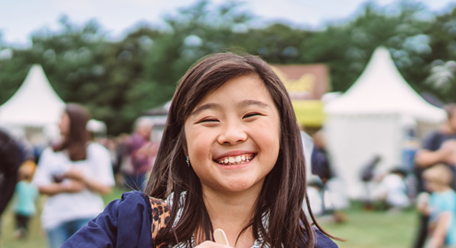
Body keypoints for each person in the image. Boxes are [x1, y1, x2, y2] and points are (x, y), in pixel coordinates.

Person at [63, 53, 336, 248]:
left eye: (251, 114)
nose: (231, 135)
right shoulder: (131, 221)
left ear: (282, 132)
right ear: (182, 142)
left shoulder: (311, 244)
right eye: (209, 120)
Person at [31, 104, 114, 248]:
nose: (58, 123)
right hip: (56, 218)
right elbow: (40, 186)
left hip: (87, 216)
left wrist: (83, 178)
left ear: (74, 122)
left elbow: (106, 187)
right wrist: (67, 187)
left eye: (62, 118)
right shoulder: (51, 153)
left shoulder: (96, 152)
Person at [413, 104, 456, 248]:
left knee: (447, 228)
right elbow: (420, 159)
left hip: (451, 191)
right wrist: (444, 154)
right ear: (449, 118)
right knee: (428, 230)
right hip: (433, 191)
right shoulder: (434, 137)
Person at [418, 164, 456, 248]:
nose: (427, 185)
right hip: (434, 234)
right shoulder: (436, 195)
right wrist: (423, 208)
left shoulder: (449, 197)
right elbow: (432, 211)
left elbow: (446, 218)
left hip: (448, 239)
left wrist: (438, 237)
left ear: (439, 181)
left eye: (430, 182)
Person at [122, 118, 156, 191]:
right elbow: (139, 156)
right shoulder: (138, 139)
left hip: (133, 171)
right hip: (138, 172)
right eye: (149, 128)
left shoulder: (133, 137)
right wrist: (145, 166)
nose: (150, 131)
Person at [14, 162, 38, 239]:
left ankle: (20, 231)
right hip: (29, 208)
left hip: (19, 208)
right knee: (25, 223)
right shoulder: (33, 186)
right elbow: (35, 197)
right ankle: (24, 232)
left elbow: (16, 194)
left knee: (19, 222)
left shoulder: (20, 184)